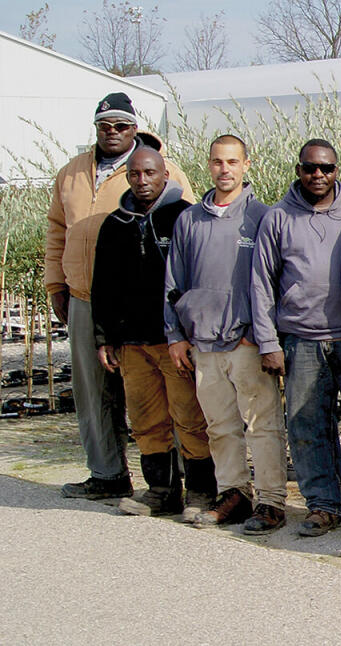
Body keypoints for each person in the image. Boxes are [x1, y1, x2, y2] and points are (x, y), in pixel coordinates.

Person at [52, 92, 195, 500]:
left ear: (135, 128)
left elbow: (187, 233)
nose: (111, 132)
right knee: (93, 391)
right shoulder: (71, 173)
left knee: (171, 395)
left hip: (149, 307)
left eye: (120, 125)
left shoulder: (162, 168)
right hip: (84, 295)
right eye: (104, 125)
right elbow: (56, 231)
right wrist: (55, 285)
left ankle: (183, 482)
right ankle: (107, 473)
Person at [251, 139, 341, 537]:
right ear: (299, 170)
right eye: (310, 168)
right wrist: (268, 342)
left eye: (326, 168)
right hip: (301, 339)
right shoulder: (278, 218)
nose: (318, 175)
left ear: (337, 170)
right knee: (308, 425)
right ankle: (324, 504)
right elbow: (261, 284)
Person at [165, 134, 290, 533]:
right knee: (219, 426)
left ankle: (271, 499)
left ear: (246, 165)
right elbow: (173, 283)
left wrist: (261, 334)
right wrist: (176, 335)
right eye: (218, 162)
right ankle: (233, 492)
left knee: (262, 424)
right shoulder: (189, 220)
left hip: (246, 343)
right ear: (209, 164)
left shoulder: (262, 217)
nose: (225, 170)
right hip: (204, 345)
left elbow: (274, 282)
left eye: (232, 162)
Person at [91, 147, 212, 519]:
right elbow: (103, 286)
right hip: (131, 343)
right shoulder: (115, 224)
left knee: (189, 417)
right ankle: (161, 490)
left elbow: (197, 278)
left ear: (165, 175)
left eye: (149, 173)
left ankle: (202, 492)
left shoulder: (184, 218)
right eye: (135, 174)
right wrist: (104, 337)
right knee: (145, 420)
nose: (142, 181)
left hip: (172, 340)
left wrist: (190, 333)